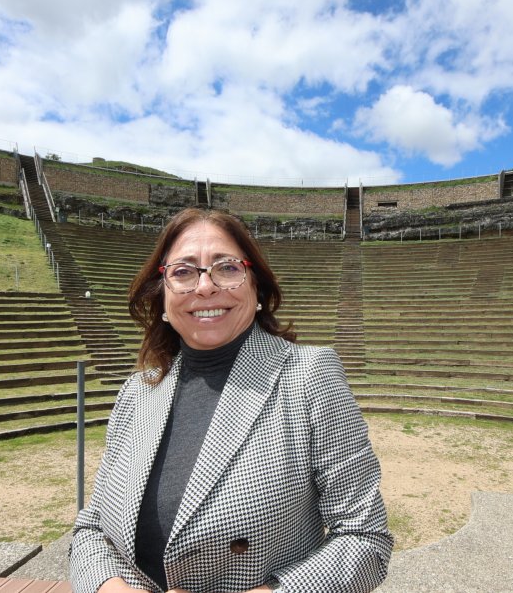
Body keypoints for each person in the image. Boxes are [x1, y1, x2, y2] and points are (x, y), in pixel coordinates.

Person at [69, 208, 392, 593]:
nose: (205, 287)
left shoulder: (309, 375)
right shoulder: (137, 391)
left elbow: (365, 538)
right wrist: (110, 588)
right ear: (163, 294)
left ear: (256, 287)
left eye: (226, 267)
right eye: (183, 272)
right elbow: (91, 527)